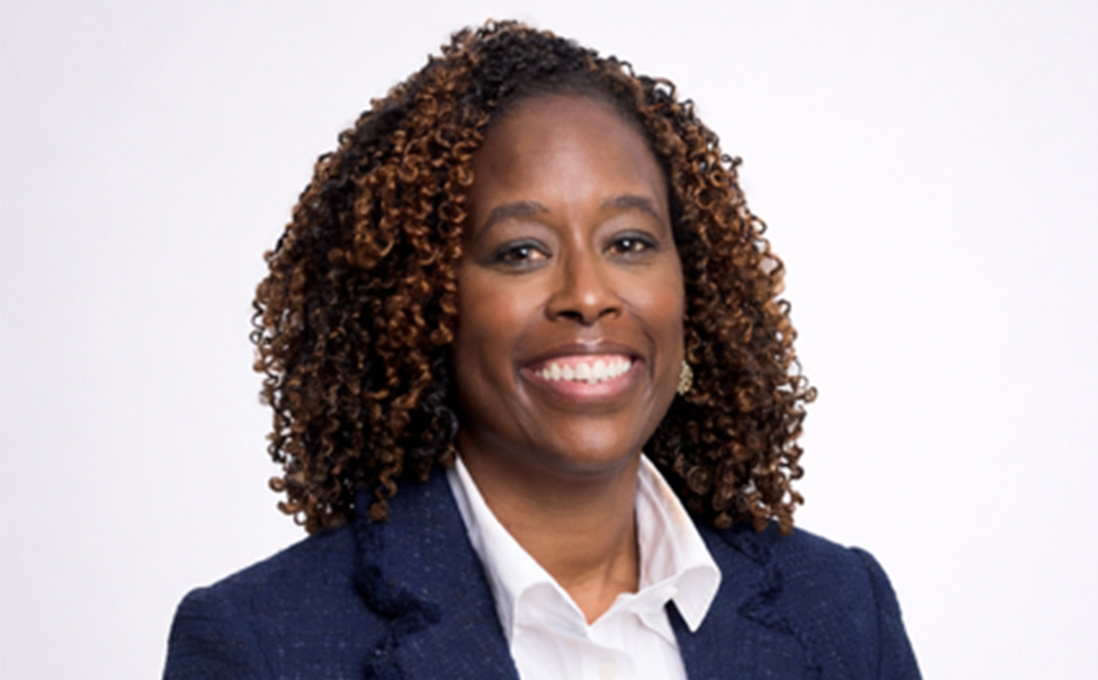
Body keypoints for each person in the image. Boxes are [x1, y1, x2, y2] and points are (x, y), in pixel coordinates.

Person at [164, 20, 921, 679]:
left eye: (629, 242)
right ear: (425, 304)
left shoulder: (843, 611)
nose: (588, 294)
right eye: (521, 251)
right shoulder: (261, 646)